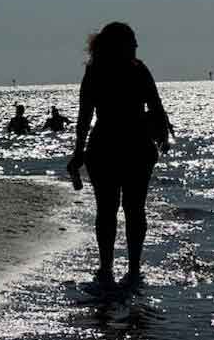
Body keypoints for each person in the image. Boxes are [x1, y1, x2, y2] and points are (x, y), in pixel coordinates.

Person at [67, 21, 170, 289]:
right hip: (127, 147)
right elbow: (156, 108)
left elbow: (84, 117)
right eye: (132, 41)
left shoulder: (97, 71)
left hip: (106, 147)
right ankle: (127, 270)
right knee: (128, 210)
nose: (136, 45)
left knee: (113, 211)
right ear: (118, 44)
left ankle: (112, 269)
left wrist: (79, 152)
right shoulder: (136, 70)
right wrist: (161, 133)